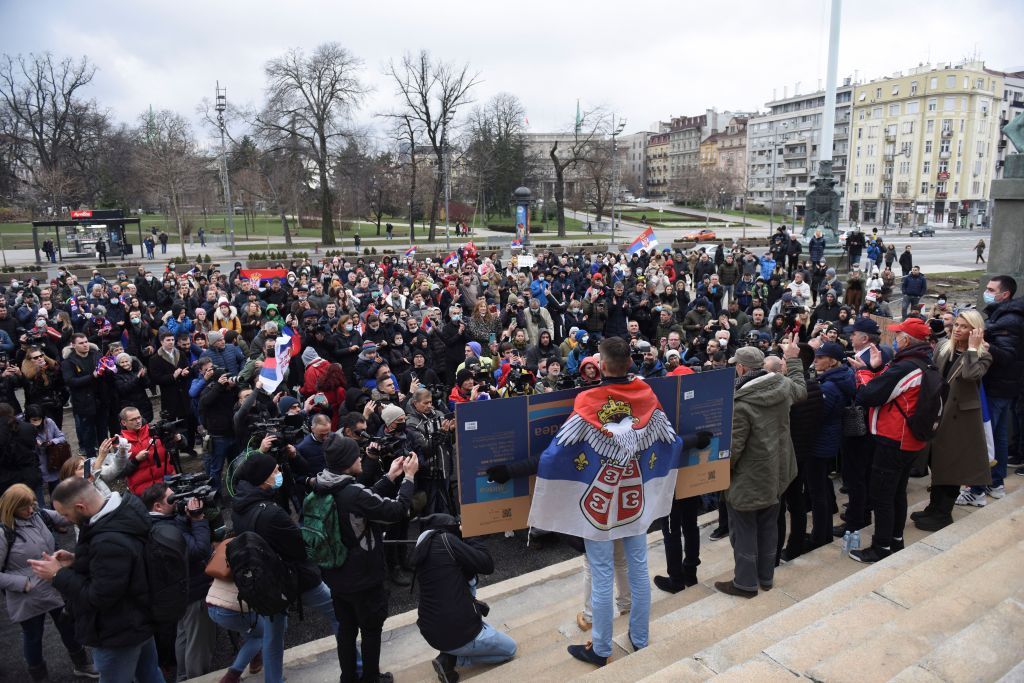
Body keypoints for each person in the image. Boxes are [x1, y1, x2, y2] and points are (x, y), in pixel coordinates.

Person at [527, 337, 684, 665]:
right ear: (629, 363)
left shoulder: (588, 398)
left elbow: (559, 449)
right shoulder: (645, 394)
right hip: (633, 498)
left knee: (601, 572)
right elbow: (668, 436)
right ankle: (639, 638)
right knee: (639, 568)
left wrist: (519, 468)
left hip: (599, 504)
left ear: (601, 364)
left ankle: (600, 649)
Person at [29, 476, 163, 683]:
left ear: (80, 507)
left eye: (66, 514)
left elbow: (99, 596)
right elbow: (120, 567)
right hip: (140, 618)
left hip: (118, 632)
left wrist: (58, 574)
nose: (66, 519)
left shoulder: (107, 541)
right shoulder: (124, 511)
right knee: (150, 675)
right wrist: (76, 560)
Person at [310, 433, 417, 683]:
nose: (360, 457)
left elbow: (363, 499)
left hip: (335, 573)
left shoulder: (322, 484)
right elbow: (395, 510)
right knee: (370, 630)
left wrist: (390, 476)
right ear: (347, 462)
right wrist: (409, 477)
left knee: (346, 631)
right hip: (364, 578)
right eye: (355, 454)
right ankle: (371, 678)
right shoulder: (353, 493)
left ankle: (348, 677)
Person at [230, 451, 339, 683]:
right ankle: (357, 667)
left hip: (265, 583)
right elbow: (300, 549)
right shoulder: (271, 513)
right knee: (339, 612)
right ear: (262, 479)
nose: (279, 474)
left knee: (273, 635)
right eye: (275, 472)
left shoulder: (239, 507)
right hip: (295, 578)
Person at [716, 342, 805, 598]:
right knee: (769, 526)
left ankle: (744, 583)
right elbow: (801, 389)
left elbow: (734, 450)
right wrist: (794, 360)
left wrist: (718, 474)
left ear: (741, 368)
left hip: (749, 478)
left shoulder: (741, 403)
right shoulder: (783, 385)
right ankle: (766, 577)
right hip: (776, 473)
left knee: (743, 530)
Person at [848, 316, 932, 563]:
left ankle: (881, 547)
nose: (894, 340)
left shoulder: (906, 366)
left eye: (897, 336)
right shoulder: (922, 361)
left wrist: (863, 371)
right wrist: (875, 370)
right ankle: (895, 539)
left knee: (882, 496)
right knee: (896, 493)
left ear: (906, 340)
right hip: (908, 439)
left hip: (894, 438)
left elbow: (869, 395)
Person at [0, 484, 98, 681]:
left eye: (32, 504)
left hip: (54, 586)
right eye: (24, 507)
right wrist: (22, 583)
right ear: (11, 508)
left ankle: (82, 664)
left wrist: (86, 503)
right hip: (27, 596)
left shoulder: (39, 515)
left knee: (68, 627)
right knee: (33, 637)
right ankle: (40, 676)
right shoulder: (3, 534)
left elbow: (66, 516)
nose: (30, 510)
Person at [413, 513, 516, 682]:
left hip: (430, 631)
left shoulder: (423, 544)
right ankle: (453, 658)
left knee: (467, 578)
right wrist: (471, 533)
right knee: (510, 649)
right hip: (460, 633)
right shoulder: (447, 540)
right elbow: (487, 564)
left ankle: (451, 653)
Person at [913, 311, 991, 528]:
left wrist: (973, 348)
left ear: (975, 330)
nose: (957, 329)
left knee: (952, 465)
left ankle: (943, 513)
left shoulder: (983, 354)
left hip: (960, 418)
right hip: (939, 410)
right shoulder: (944, 347)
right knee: (936, 461)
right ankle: (933, 507)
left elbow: (970, 375)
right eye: (956, 324)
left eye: (964, 327)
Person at [140, 483, 214, 680]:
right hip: (193, 591)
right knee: (198, 643)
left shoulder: (154, 523)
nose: (179, 502)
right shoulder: (166, 528)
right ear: (157, 506)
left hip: (178, 593)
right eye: (172, 499)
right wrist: (198, 520)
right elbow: (199, 550)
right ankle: (198, 678)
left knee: (183, 637)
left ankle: (183, 676)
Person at [61, 333, 102, 457]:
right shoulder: (68, 362)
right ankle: (91, 460)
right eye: (81, 343)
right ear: (73, 345)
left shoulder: (96, 355)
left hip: (100, 400)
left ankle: (105, 457)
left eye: (86, 342)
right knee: (88, 434)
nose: (85, 345)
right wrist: (92, 377)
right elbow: (70, 381)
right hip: (83, 403)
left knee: (103, 433)